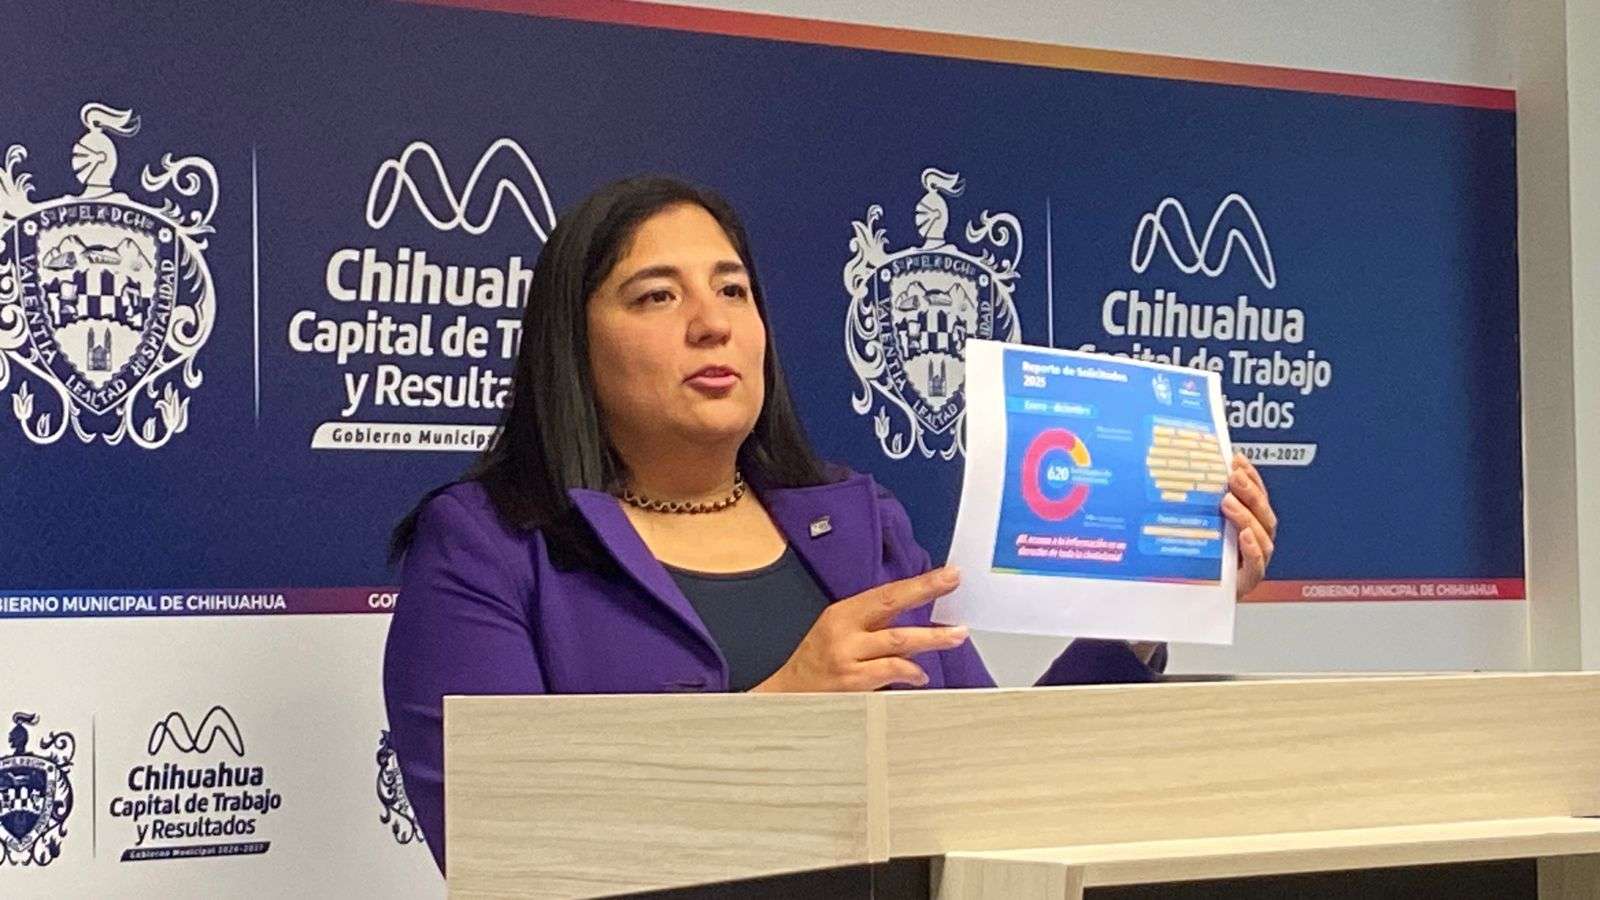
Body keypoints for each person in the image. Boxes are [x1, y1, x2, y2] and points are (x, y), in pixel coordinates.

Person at [382, 177, 1278, 873]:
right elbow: (499, 842)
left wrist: (1150, 611)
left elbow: (997, 783)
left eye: (733, 290)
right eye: (656, 297)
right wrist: (781, 710)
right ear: (572, 346)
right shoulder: (489, 545)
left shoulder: (861, 526)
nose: (711, 324)